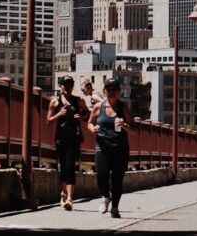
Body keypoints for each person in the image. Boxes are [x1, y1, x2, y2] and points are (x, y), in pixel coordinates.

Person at [87, 78, 134, 218]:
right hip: (102, 147)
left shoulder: (123, 108)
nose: (111, 92)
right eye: (109, 89)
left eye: (114, 89)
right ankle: (106, 197)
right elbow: (89, 122)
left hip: (120, 149)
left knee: (117, 179)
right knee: (101, 175)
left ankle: (115, 208)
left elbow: (135, 130)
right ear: (104, 91)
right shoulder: (98, 107)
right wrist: (93, 128)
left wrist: (125, 125)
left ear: (119, 92)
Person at [47, 75, 85, 211]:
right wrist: (59, 114)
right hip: (60, 138)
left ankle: (69, 198)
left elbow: (88, 114)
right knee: (62, 166)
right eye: (65, 85)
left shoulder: (78, 100)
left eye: (70, 85)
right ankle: (63, 193)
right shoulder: (55, 102)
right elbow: (48, 120)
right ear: (60, 86)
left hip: (74, 138)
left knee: (70, 166)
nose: (68, 87)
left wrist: (81, 117)